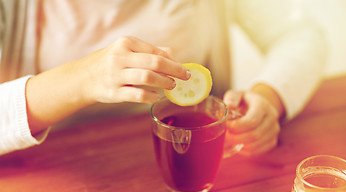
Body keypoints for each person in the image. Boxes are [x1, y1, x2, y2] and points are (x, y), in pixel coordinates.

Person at [0, 0, 326, 156]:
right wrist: (84, 78)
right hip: (56, 179)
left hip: (196, 161)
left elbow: (299, 33)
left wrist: (269, 97)